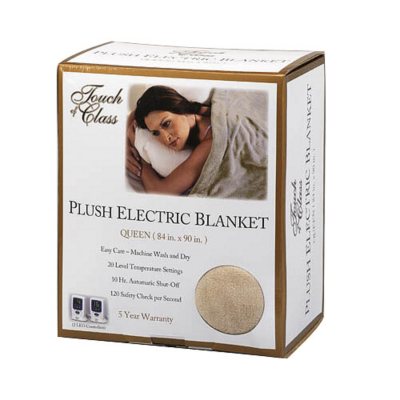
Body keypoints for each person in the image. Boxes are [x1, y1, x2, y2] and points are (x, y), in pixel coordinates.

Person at [126, 86, 212, 195]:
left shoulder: (209, 142)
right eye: (156, 133)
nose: (166, 138)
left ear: (181, 110)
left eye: (166, 124)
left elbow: (160, 191)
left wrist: (140, 157)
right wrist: (126, 144)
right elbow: (134, 114)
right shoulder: (193, 112)